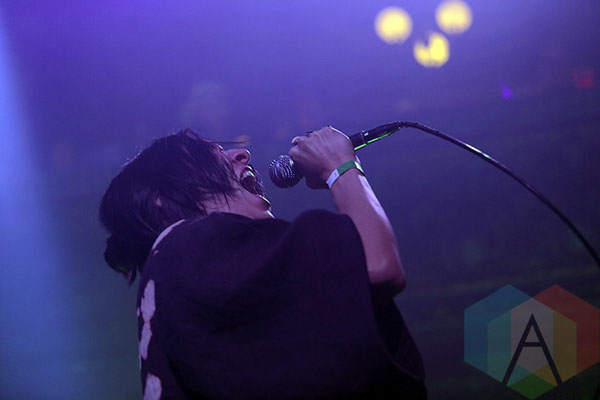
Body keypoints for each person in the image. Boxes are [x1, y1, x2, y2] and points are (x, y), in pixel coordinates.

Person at [99, 126, 426, 399]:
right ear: (161, 197)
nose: (242, 154)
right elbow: (375, 266)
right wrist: (339, 167)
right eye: (210, 155)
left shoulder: (175, 270)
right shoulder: (185, 245)